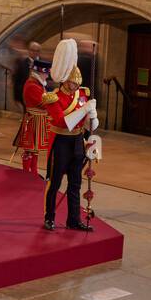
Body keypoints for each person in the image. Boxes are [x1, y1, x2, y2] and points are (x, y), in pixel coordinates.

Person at [41, 38, 99, 232]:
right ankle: (49, 217)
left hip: (77, 141)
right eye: (72, 83)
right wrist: (84, 111)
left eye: (77, 84)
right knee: (55, 182)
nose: (74, 87)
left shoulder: (82, 94)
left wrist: (93, 117)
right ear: (64, 79)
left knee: (75, 183)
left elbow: (88, 124)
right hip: (60, 142)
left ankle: (73, 219)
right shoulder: (53, 97)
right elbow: (63, 122)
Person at [16, 45, 53, 176]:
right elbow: (42, 103)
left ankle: (34, 172)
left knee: (35, 149)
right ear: (41, 72)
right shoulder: (32, 85)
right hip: (33, 121)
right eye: (46, 73)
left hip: (38, 120)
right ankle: (26, 173)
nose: (47, 76)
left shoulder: (37, 84)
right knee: (29, 149)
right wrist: (53, 100)